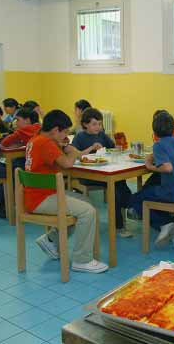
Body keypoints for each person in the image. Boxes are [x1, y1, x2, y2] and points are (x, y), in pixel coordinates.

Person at [25, 110, 108, 273]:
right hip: (42, 198)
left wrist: (65, 147)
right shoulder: (46, 143)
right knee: (88, 212)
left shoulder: (36, 139)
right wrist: (71, 150)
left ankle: (50, 240)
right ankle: (82, 260)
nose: (65, 137)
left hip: (35, 195)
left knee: (85, 202)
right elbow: (67, 164)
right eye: (64, 133)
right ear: (55, 130)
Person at [128, 110, 174, 247]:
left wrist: (150, 166)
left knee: (136, 198)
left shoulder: (158, 144)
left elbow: (167, 168)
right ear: (173, 128)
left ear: (155, 132)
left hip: (170, 192)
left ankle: (165, 223)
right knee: (149, 191)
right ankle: (170, 224)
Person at [72, 107, 132, 238]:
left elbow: (112, 150)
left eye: (99, 124)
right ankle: (123, 219)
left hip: (105, 171)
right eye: (94, 124)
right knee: (115, 190)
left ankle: (129, 206)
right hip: (88, 175)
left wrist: (118, 146)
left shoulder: (102, 135)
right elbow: (76, 155)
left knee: (120, 182)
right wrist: (92, 148)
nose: (98, 127)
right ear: (85, 124)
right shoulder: (79, 137)